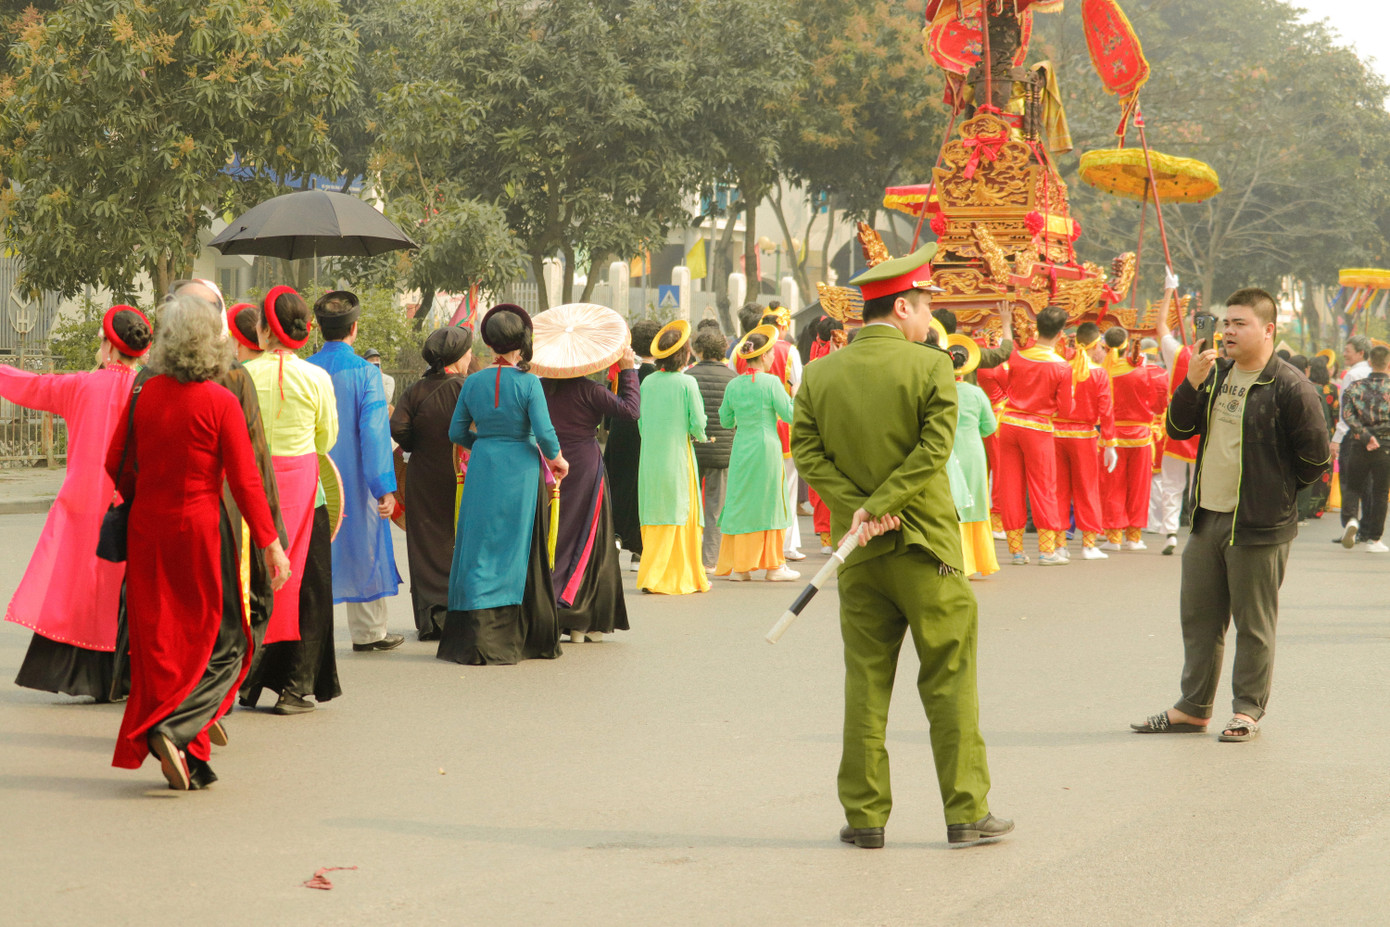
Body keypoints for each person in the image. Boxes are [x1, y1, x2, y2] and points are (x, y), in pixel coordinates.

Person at [792, 243, 1010, 849]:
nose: (927, 319)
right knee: (949, 677)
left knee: (864, 682)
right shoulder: (931, 367)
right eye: (925, 307)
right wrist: (885, 504)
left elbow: (807, 453)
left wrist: (860, 509)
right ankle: (966, 812)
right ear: (906, 307)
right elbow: (933, 450)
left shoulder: (818, 373)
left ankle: (864, 819)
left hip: (858, 551)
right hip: (927, 551)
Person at [108, 293, 290, 790]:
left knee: (161, 638)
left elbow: (116, 464)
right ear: (215, 345)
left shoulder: (145, 396)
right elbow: (247, 481)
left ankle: (190, 752)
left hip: (149, 528)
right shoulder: (220, 401)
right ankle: (176, 726)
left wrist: (140, 497)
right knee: (219, 640)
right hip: (199, 530)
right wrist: (272, 544)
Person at [1132, 288, 1329, 743]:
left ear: (1267, 330)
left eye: (1240, 323)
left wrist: (1276, 497)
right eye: (1225, 323)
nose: (1228, 332)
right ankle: (1193, 707)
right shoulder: (1216, 375)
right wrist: (1190, 384)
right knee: (1199, 619)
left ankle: (1247, 711)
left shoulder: (1291, 386)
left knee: (1254, 625)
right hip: (1207, 518)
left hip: (1259, 525)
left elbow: (1315, 461)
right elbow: (1178, 429)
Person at [0, 306, 151, 699]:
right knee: (127, 589)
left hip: (83, 501)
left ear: (107, 348)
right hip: (133, 501)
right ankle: (130, 675)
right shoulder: (151, 389)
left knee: (80, 587)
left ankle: (81, 674)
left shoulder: (79, 385)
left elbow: (29, 386)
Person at [439, 305, 567, 665]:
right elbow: (544, 434)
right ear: (521, 343)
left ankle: (474, 632)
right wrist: (558, 460)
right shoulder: (529, 383)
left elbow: (455, 432)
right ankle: (514, 633)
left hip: (484, 465)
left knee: (479, 543)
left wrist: (483, 444)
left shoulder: (473, 382)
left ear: (489, 342)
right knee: (518, 544)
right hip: (522, 469)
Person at [238, 287, 340, 715]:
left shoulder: (241, 375)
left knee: (252, 581)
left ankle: (245, 681)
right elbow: (326, 438)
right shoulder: (317, 378)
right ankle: (295, 689)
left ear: (262, 329)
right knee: (306, 589)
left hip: (251, 486)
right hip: (304, 489)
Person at [307, 291, 404, 653]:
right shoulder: (367, 374)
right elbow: (375, 433)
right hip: (357, 474)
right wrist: (384, 487)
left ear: (319, 328)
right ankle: (368, 633)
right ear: (354, 328)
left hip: (313, 474)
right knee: (364, 545)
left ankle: (312, 632)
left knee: (315, 547)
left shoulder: (306, 369)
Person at [540, 337, 639, 643]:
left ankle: (546, 611)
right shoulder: (591, 391)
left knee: (550, 535)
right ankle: (580, 620)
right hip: (583, 466)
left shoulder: (539, 388)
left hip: (545, 464)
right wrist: (627, 370)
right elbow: (630, 410)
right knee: (588, 538)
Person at [390, 325, 474, 640]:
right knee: (459, 540)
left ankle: (429, 620)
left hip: (423, 476)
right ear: (456, 357)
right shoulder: (468, 388)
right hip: (462, 477)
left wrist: (416, 444)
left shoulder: (415, 390)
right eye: (467, 351)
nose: (470, 357)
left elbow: (398, 427)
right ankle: (459, 613)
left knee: (425, 545)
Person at [715, 326, 799, 582]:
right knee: (771, 500)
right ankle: (774, 566)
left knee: (741, 500)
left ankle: (740, 567)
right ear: (763, 356)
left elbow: (726, 421)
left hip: (741, 446)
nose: (774, 355)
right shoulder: (773, 382)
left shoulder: (734, 385)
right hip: (767, 446)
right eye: (771, 351)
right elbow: (790, 415)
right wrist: (794, 397)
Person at [995, 305, 1074, 565]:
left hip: (1009, 424)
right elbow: (1065, 409)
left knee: (1010, 485)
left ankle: (1017, 551)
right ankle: (1046, 550)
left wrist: (1006, 322)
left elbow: (1006, 350)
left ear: (1036, 328)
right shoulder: (1062, 367)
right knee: (1043, 487)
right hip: (1038, 429)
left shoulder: (1018, 357)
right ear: (1061, 333)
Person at [637, 320, 711, 595]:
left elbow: (641, 424)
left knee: (654, 510)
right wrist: (700, 436)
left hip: (651, 458)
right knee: (680, 511)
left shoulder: (647, 383)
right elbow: (698, 423)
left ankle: (652, 574)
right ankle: (678, 575)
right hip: (678, 456)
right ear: (684, 354)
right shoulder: (687, 383)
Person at [735, 305, 806, 562]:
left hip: (745, 429)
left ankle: (749, 551)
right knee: (785, 490)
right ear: (783, 326)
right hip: (782, 429)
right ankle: (785, 547)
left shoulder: (740, 351)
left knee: (746, 491)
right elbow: (798, 386)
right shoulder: (790, 351)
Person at [1100, 326, 1169, 551]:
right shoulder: (1147, 371)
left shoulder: (1104, 371)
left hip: (1113, 437)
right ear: (1127, 345)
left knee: (1113, 487)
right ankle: (1134, 537)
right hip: (1141, 436)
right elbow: (1159, 403)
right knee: (1139, 487)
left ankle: (1113, 538)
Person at [1052, 322, 1116, 560]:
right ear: (1095, 343)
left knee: (1059, 490)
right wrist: (1110, 442)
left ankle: (1059, 545)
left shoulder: (1060, 368)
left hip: (1056, 433)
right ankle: (1088, 544)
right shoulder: (1098, 373)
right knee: (1087, 489)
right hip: (1084, 436)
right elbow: (1106, 410)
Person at [604, 319, 662, 570]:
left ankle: (614, 538)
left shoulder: (620, 372)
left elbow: (607, 414)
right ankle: (639, 550)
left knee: (616, 486)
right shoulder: (658, 376)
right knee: (641, 488)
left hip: (618, 435)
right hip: (644, 436)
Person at [945, 335, 999, 578]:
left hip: (946, 453)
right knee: (975, 503)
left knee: (951, 504)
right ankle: (978, 560)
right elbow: (990, 427)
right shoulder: (976, 394)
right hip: (973, 452)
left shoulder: (939, 390)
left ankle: (955, 560)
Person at [687, 327, 737, 569]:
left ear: (699, 350)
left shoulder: (688, 376)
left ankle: (689, 557)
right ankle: (710, 561)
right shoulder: (733, 378)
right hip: (723, 452)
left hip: (692, 450)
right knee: (716, 509)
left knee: (690, 507)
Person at [1336, 344, 1390, 552]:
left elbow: (1347, 415)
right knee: (1380, 491)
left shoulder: (1355, 387)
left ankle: (1351, 519)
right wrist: (1377, 436)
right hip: (1385, 445)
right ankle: (1374, 539)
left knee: (1353, 485)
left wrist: (1366, 436)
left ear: (1369, 362)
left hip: (1358, 443)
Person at [1332, 335, 1372, 543]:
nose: (1344, 354)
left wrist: (1337, 438)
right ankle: (1368, 530)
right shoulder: (1377, 373)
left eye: (1348, 350)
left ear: (1360, 353)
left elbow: (1345, 411)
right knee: (1369, 483)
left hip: (1352, 434)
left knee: (1349, 481)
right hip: (1373, 435)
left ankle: (1350, 522)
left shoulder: (1352, 374)